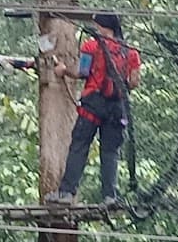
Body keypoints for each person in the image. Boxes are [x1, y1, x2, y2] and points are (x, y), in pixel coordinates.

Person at [46, 13, 141, 208]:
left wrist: (63, 70)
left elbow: (82, 72)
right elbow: (133, 82)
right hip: (117, 107)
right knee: (110, 151)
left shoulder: (91, 46)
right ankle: (109, 197)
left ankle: (66, 193)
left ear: (102, 25)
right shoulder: (130, 52)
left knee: (80, 145)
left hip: (93, 104)